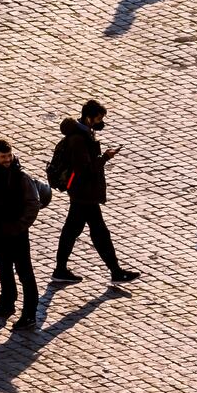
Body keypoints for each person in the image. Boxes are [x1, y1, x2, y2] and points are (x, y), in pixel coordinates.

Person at [50, 100, 137, 283]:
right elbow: (85, 169)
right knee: (97, 233)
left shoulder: (84, 133)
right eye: (98, 119)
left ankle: (61, 269)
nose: (100, 122)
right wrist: (105, 156)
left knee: (75, 231)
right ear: (89, 118)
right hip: (83, 194)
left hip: (83, 194)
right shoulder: (78, 140)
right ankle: (115, 271)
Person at [0, 139, 39, 330]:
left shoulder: (21, 177)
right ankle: (7, 302)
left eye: (9, 156)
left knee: (25, 273)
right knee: (4, 269)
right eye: (3, 157)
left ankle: (30, 314)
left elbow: (33, 203)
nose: (7, 160)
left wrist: (19, 226)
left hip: (17, 234)